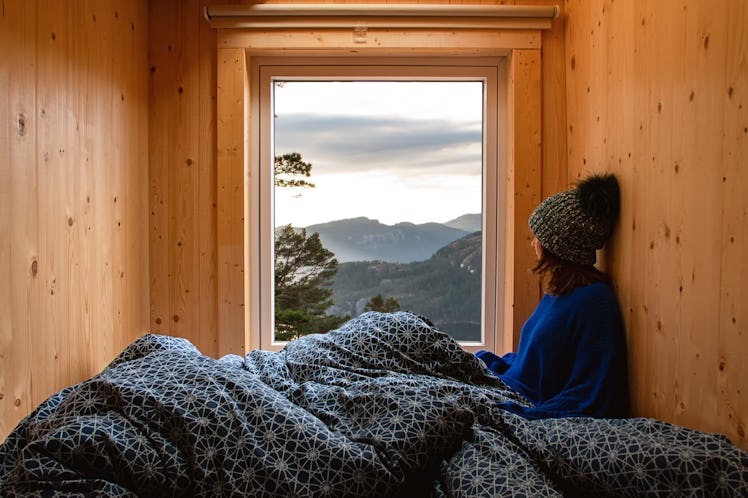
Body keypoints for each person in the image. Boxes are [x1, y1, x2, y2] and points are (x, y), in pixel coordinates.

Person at [476, 173, 628, 419]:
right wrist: (485, 363)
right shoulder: (560, 292)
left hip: (518, 401)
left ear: (559, 244)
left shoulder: (594, 303)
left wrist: (516, 416)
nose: (533, 243)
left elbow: (589, 394)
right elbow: (535, 361)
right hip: (503, 387)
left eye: (540, 236)